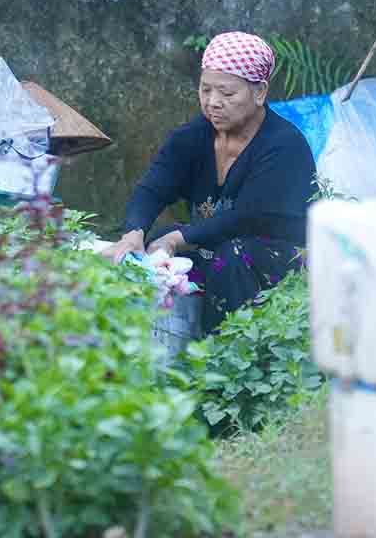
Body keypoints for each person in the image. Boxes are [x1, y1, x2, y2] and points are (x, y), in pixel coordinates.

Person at [102, 31, 315, 330]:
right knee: (153, 245)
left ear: (260, 92)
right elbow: (153, 188)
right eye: (205, 90)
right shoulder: (191, 137)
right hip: (217, 245)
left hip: (278, 258)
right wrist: (133, 232)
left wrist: (177, 239)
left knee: (231, 255)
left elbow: (246, 218)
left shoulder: (284, 146)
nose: (213, 102)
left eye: (227, 94)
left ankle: (225, 353)